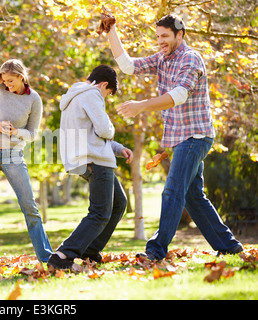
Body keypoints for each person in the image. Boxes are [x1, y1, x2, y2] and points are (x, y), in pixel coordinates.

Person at [103, 13, 243, 260]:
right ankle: (229, 246)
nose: (160, 41)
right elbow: (127, 65)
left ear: (180, 34)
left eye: (165, 36)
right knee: (193, 197)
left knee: (172, 191)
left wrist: (141, 105)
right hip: (181, 139)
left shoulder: (191, 59)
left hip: (196, 136)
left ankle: (155, 251)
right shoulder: (162, 59)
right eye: (157, 36)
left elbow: (178, 95)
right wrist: (111, 31)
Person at [47, 65, 133, 270]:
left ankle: (90, 251)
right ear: (103, 84)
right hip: (95, 161)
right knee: (100, 212)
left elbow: (91, 135)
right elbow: (104, 129)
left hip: (84, 159)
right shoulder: (92, 94)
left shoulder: (74, 97)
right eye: (108, 93)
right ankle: (63, 254)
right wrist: (110, 128)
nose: (106, 97)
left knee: (119, 203)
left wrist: (119, 149)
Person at [0, 59, 53, 265]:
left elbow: (33, 133)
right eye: (4, 80)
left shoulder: (34, 99)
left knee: (30, 207)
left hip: (13, 156)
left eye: (11, 81)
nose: (7, 84)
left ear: (21, 77)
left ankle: (46, 257)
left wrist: (17, 132)